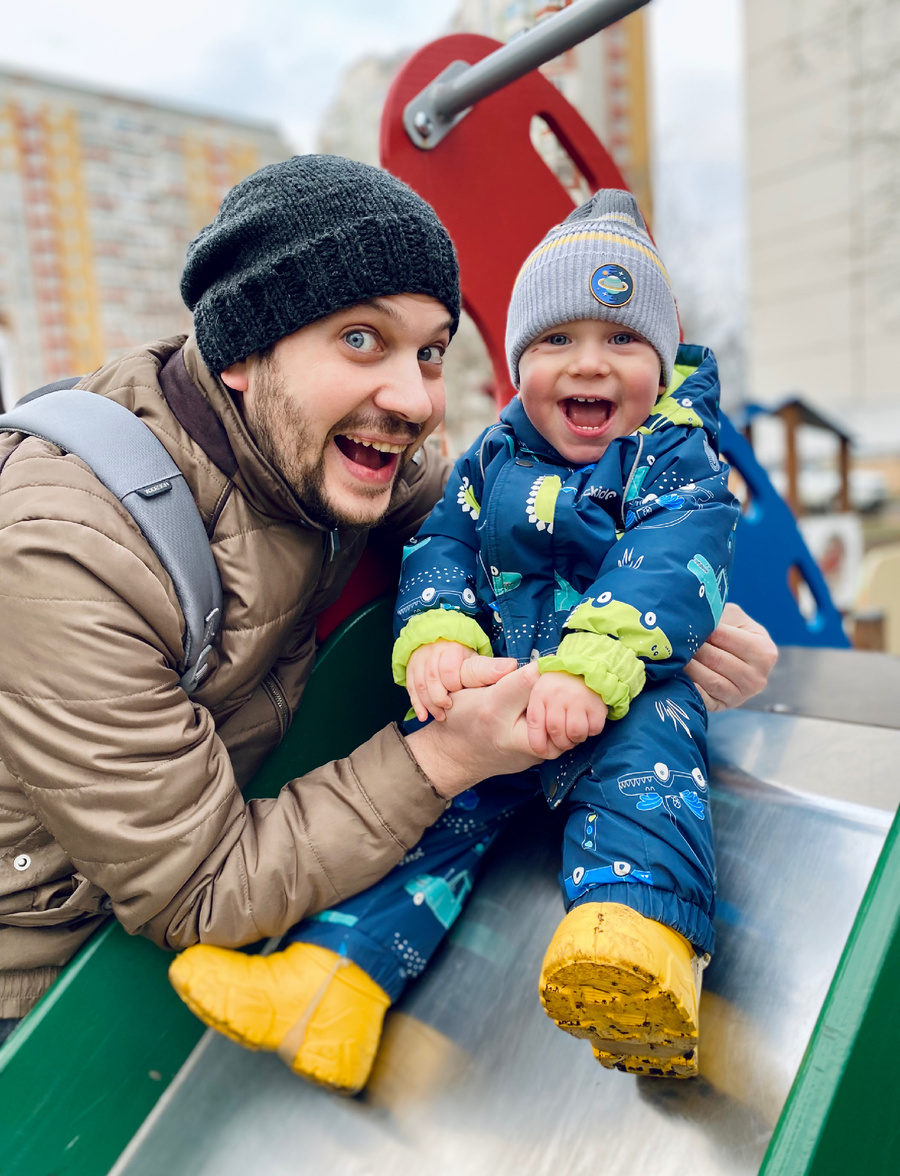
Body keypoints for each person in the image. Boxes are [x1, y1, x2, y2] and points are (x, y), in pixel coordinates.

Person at [169, 188, 765, 1092]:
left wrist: (597, 665)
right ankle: (329, 990)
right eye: (556, 341)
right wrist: (438, 637)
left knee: (650, 779)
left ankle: (639, 947)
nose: (588, 367)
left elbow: (670, 553)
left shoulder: (675, 452)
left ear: (665, 357)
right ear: (520, 362)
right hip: (504, 696)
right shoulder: (491, 457)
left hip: (620, 686)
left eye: (624, 341)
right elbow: (442, 541)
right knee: (422, 813)